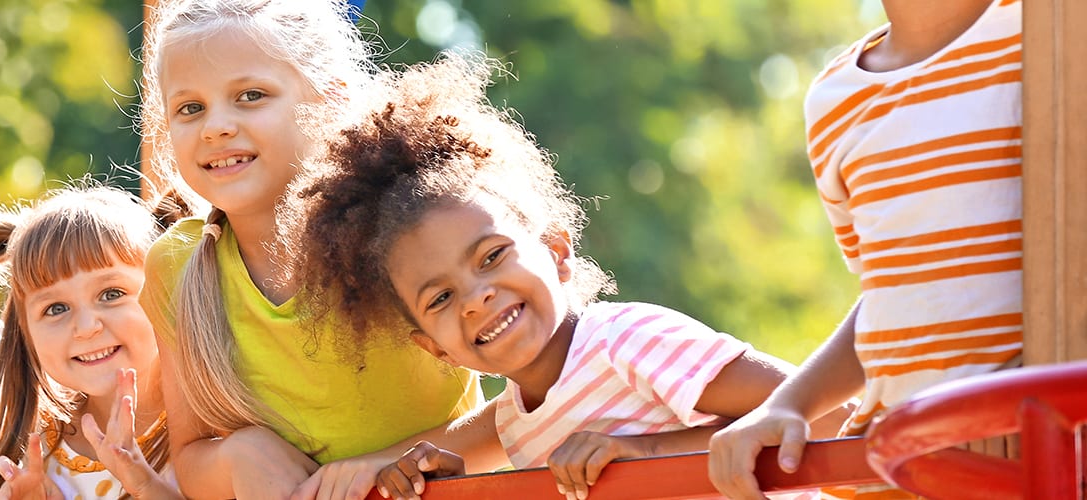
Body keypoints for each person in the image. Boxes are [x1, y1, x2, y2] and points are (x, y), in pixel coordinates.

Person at [278, 58, 848, 500]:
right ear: (434, 348)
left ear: (556, 252)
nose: (478, 298)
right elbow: (449, 450)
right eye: (443, 297)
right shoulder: (514, 420)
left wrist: (643, 450)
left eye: (492, 257)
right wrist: (428, 476)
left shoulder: (625, 341)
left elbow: (822, 412)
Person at [135, 1, 483, 498]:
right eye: (190, 108)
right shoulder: (177, 266)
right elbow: (190, 459)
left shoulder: (411, 232)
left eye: (250, 95)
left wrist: (384, 463)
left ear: (332, 100)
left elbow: (522, 408)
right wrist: (241, 453)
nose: (215, 127)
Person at [706, 1, 1026, 498]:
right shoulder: (835, 100)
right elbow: (893, 292)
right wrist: (788, 403)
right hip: (903, 461)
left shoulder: (1048, 31)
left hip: (1040, 444)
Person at [0, 186, 189, 500]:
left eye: (111, 294)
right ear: (26, 331)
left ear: (167, 288)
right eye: (56, 308)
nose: (85, 328)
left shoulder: (205, 435)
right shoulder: (35, 451)